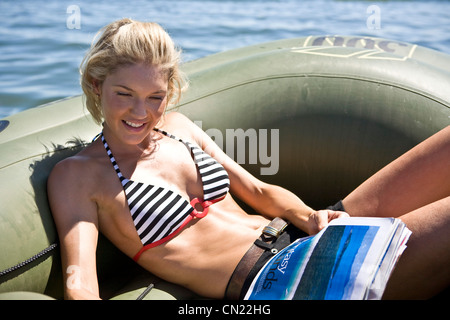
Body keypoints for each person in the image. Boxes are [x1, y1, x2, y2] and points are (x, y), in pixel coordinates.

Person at [47, 18, 450, 300]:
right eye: (125, 94)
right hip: (280, 284)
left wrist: (309, 216)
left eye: (155, 96)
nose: (141, 113)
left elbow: (256, 190)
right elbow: (79, 284)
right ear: (98, 86)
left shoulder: (179, 127)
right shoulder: (78, 177)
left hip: (304, 237)